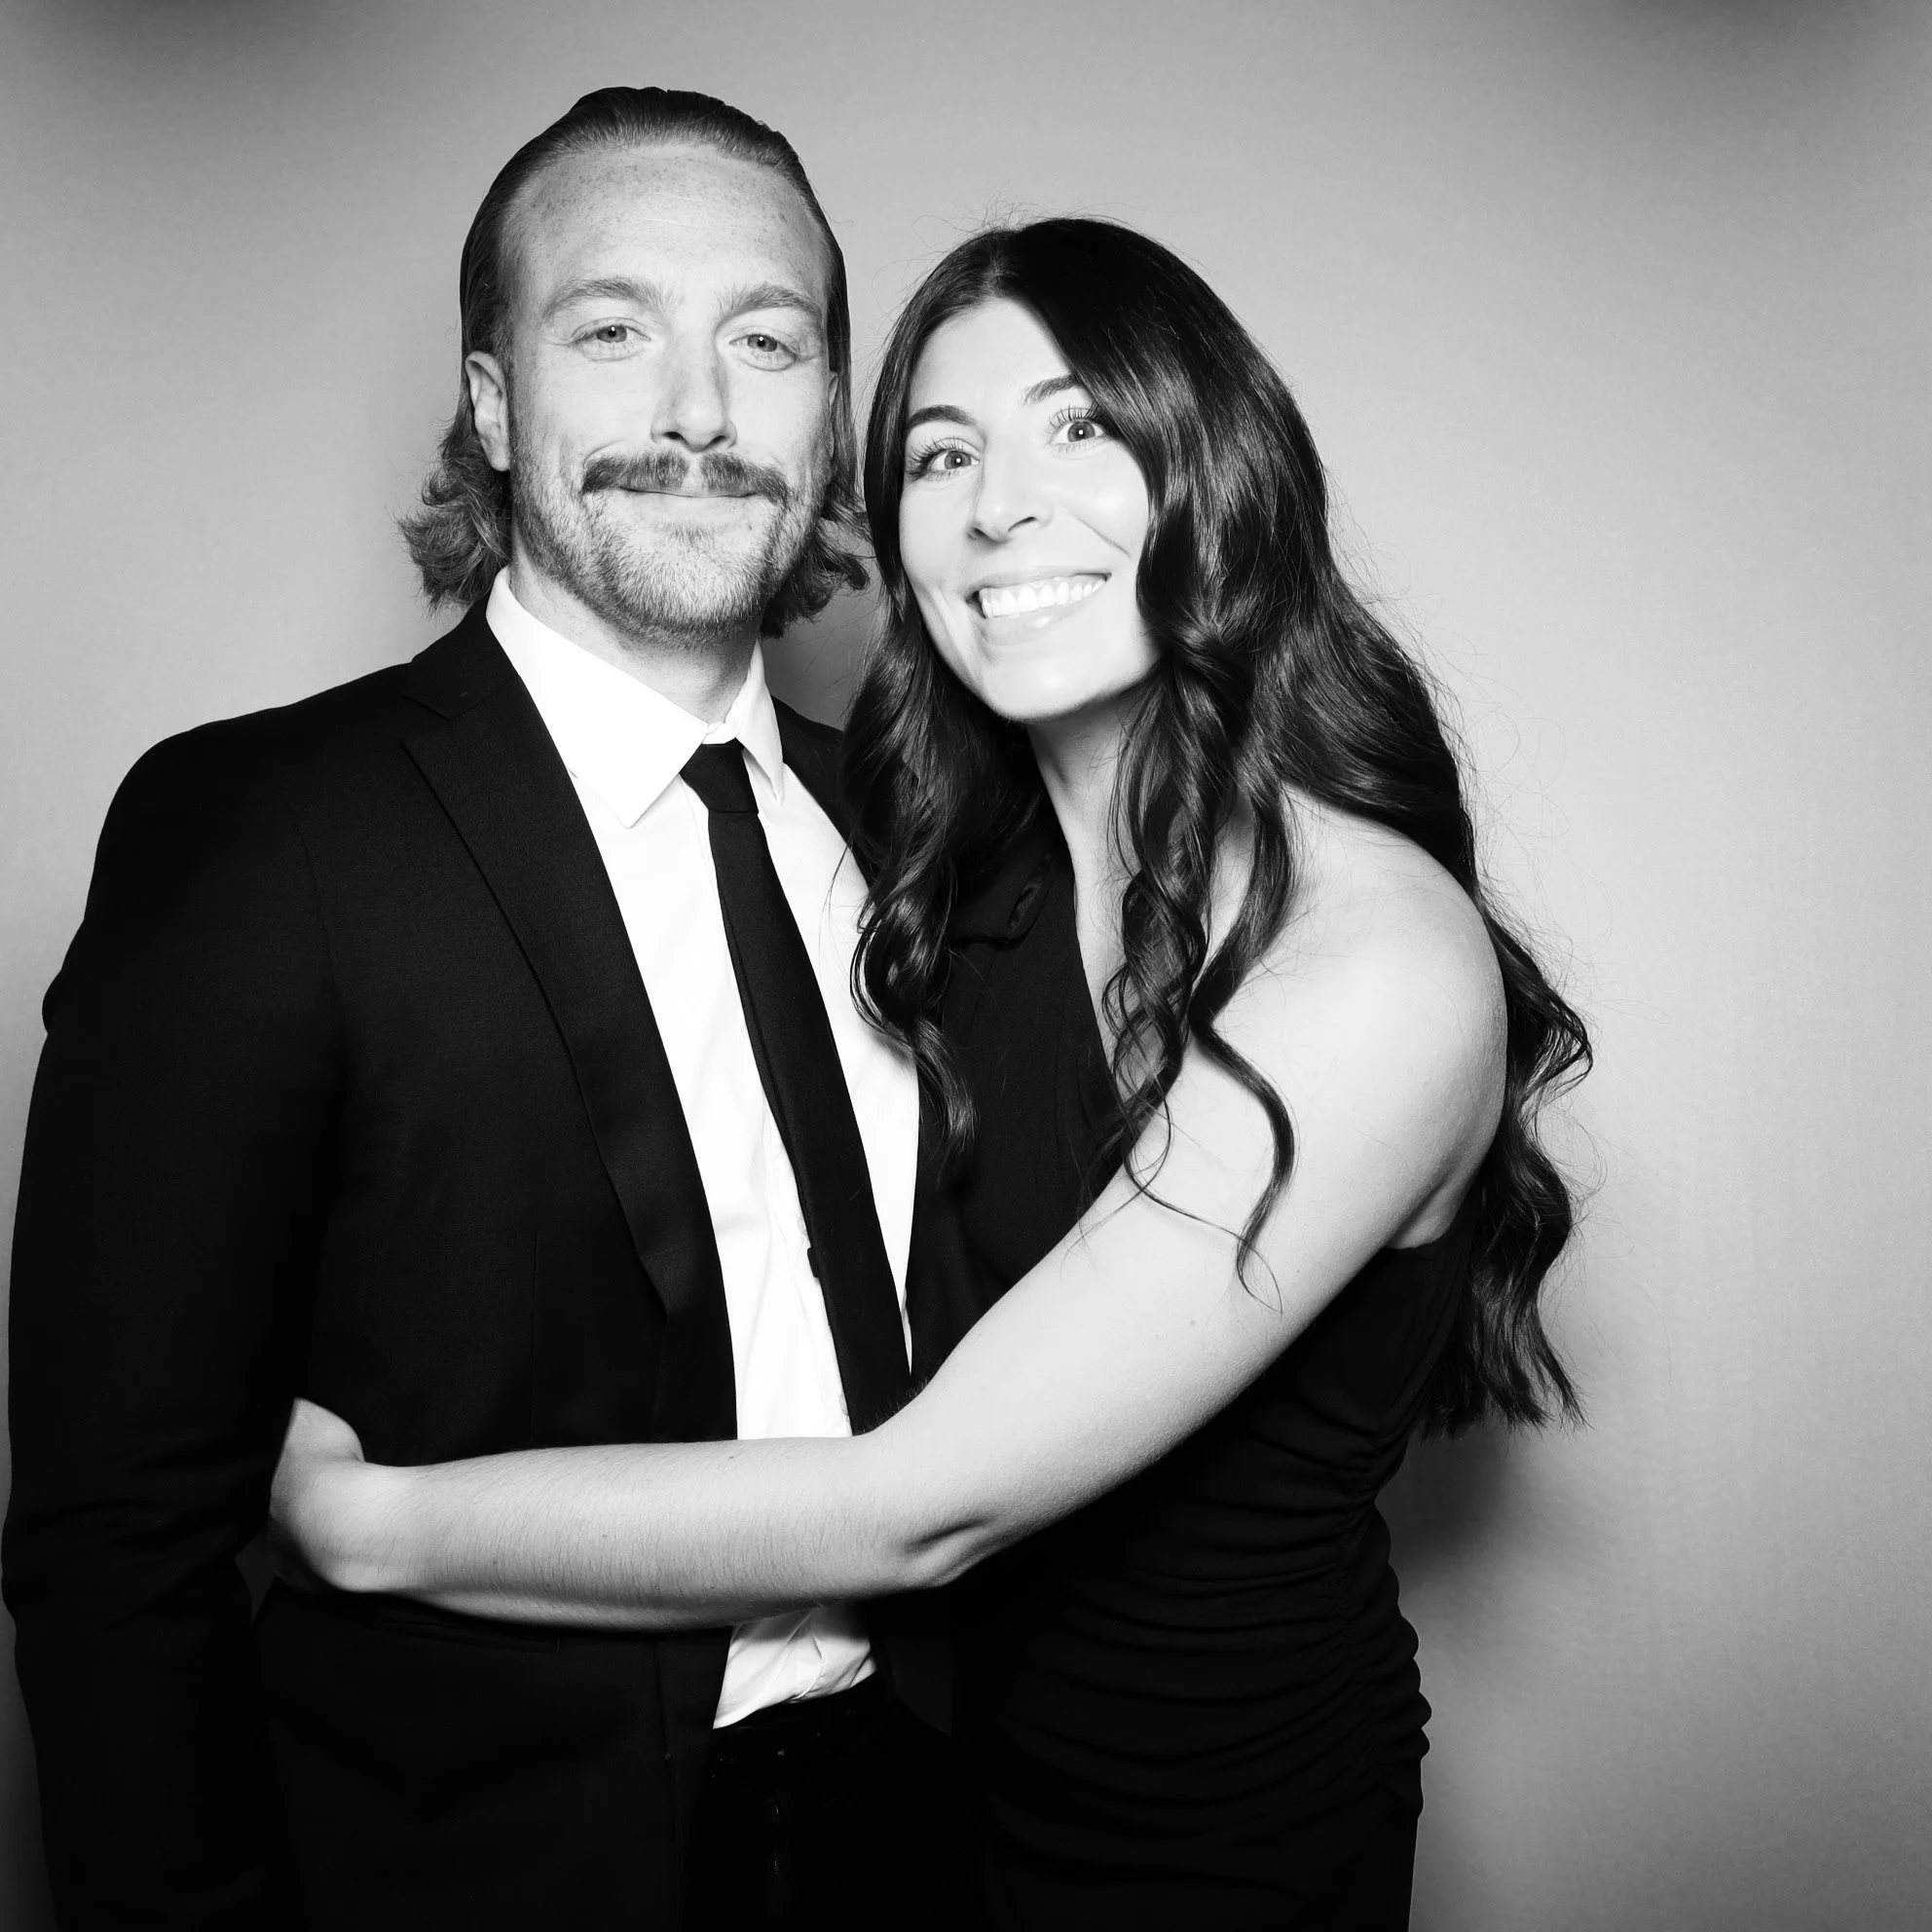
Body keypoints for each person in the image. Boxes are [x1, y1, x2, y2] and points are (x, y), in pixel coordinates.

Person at [272, 218, 1592, 1929]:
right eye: (941, 454)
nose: (999, 506)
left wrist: (365, 1525)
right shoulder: (950, 894)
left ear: (1221, 469)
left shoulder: (1376, 966)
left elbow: (924, 1501)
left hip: (1217, 1844)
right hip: (930, 1814)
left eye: (1080, 429)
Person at [4, 87, 979, 1931]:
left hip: (923, 1837)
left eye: (765, 343)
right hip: (470, 1873)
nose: (699, 409)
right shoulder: (264, 834)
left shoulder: (922, 831)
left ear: (829, 415)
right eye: (612, 331)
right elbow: (112, 1548)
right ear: (493, 399)